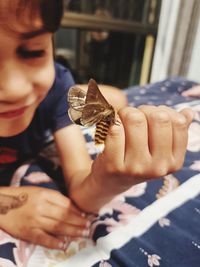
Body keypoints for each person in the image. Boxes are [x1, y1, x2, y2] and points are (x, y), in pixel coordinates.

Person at [0, 0, 194, 252]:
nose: (15, 89)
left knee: (114, 99)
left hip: (61, 93)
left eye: (34, 51)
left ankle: (82, 91)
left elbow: (82, 187)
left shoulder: (55, 87)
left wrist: (109, 178)